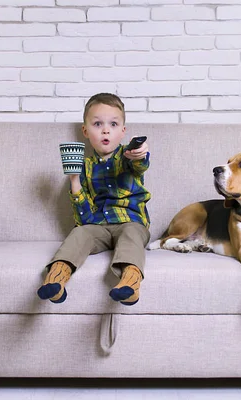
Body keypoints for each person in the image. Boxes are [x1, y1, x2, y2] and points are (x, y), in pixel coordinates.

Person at [37, 93, 151, 306]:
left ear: (123, 131)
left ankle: (130, 284)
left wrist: (140, 153)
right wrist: (74, 180)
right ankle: (55, 281)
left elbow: (139, 164)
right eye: (98, 124)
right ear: (85, 131)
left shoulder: (127, 156)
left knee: (131, 234)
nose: (106, 129)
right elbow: (84, 218)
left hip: (130, 221)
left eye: (113, 124)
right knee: (80, 232)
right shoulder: (84, 166)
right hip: (98, 225)